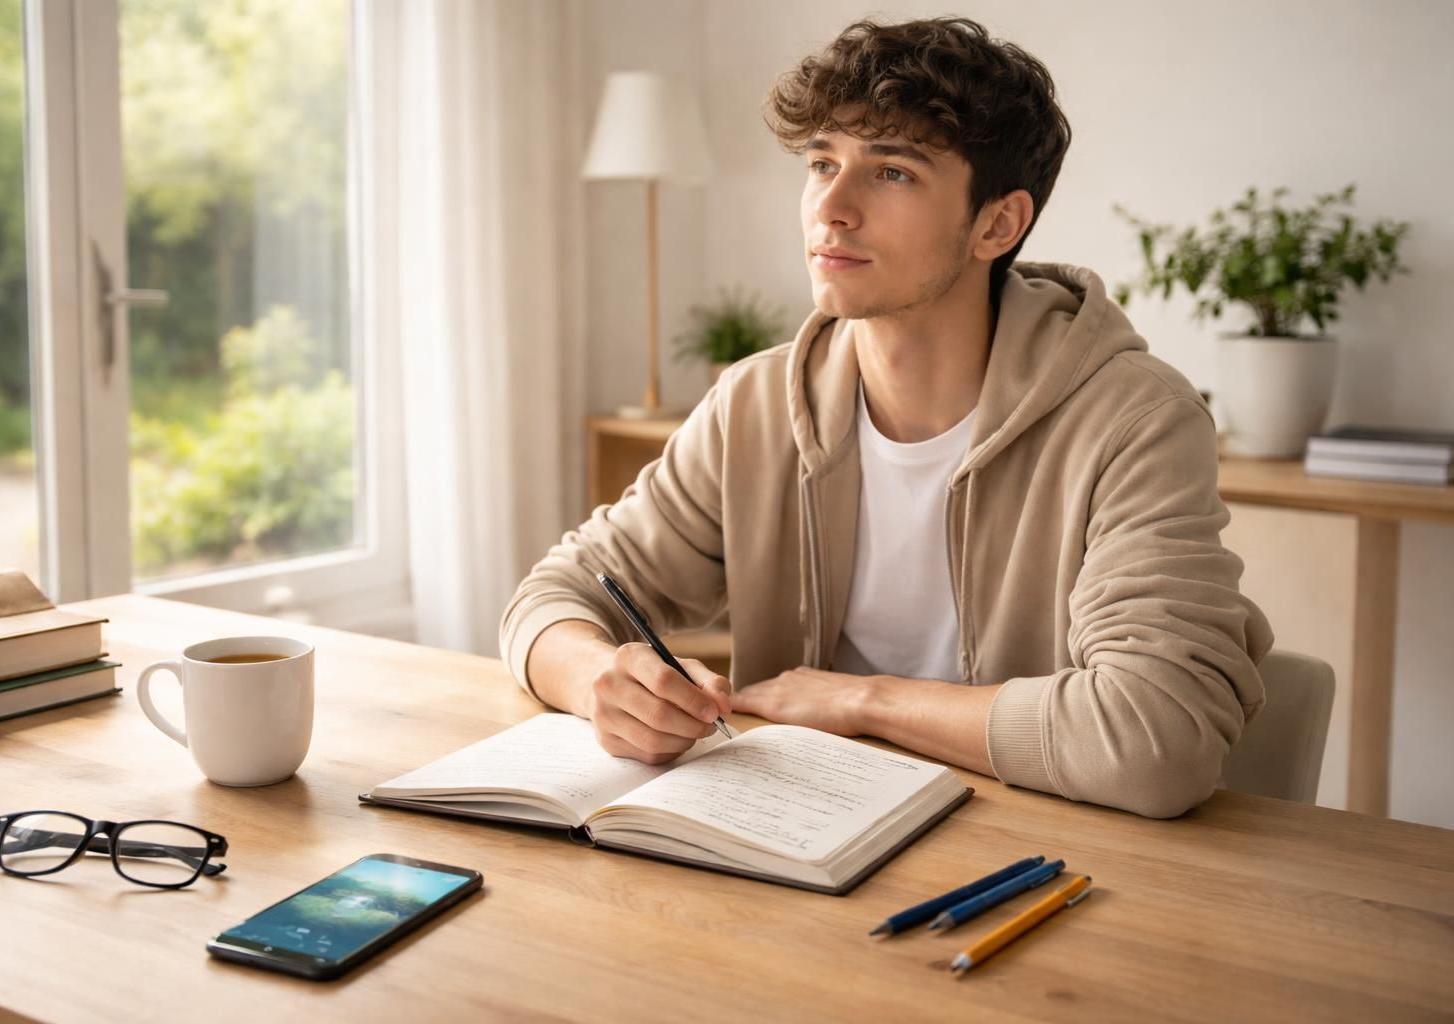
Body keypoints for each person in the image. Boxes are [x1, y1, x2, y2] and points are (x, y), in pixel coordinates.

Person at [499, 17, 1273, 818]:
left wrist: (863, 700)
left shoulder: (1135, 420)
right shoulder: (757, 404)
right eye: (822, 163)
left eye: (892, 173)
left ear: (997, 225)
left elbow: (1155, 743)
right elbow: (553, 597)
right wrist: (603, 682)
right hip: (793, 838)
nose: (831, 208)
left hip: (1039, 862)